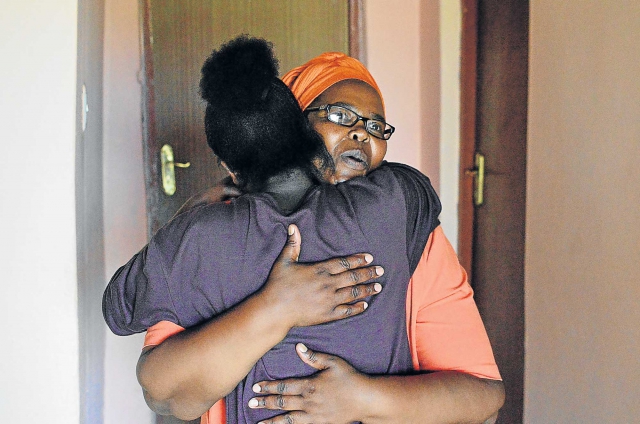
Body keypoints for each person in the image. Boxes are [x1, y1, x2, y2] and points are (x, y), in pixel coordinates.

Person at [104, 38, 504, 423]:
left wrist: (364, 399)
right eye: (340, 116)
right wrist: (276, 307)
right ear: (292, 126)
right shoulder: (398, 201)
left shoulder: (410, 235)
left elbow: (483, 399)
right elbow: (164, 393)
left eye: (377, 127)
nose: (362, 133)